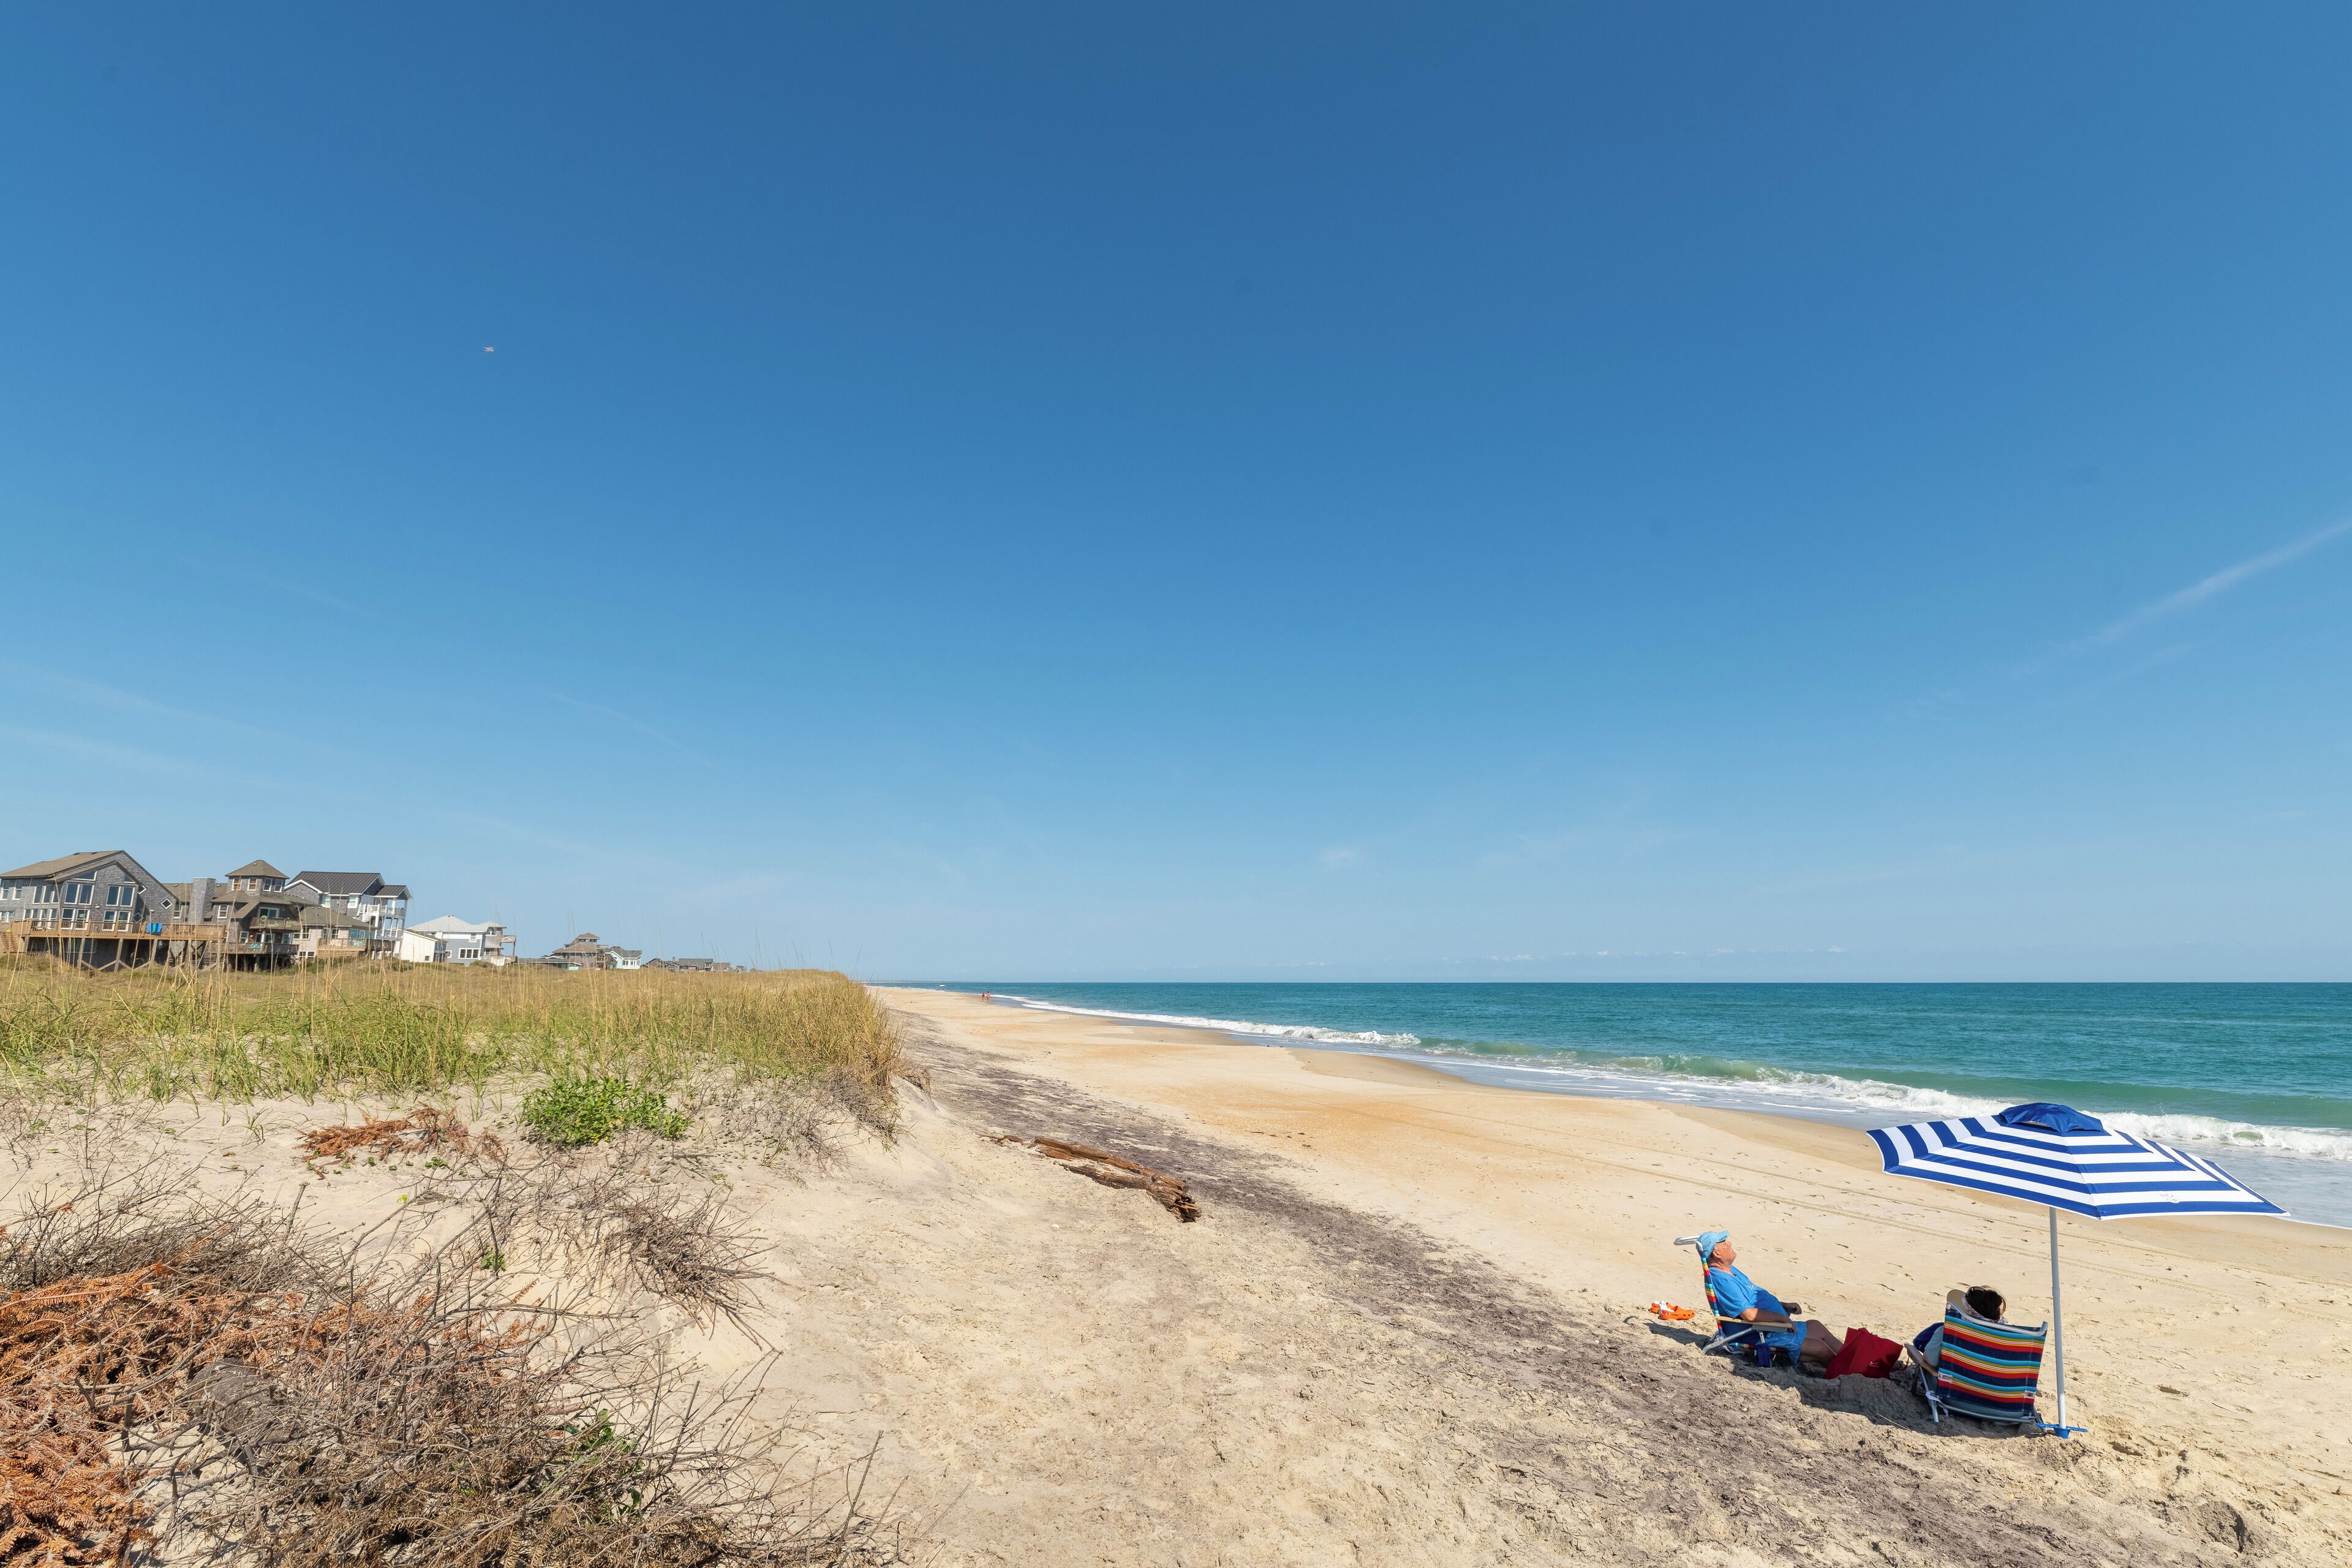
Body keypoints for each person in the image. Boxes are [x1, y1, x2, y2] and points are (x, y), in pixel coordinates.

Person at [1700, 1231, 1844, 1371]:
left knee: (1816, 1327)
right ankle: (1843, 1373)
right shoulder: (1723, 1281)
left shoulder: (1730, 1270)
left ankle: (1850, 1359)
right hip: (1758, 1333)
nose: (1729, 1243)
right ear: (1717, 1254)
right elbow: (1749, 1315)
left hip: (1771, 1327)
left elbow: (1751, 1299)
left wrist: (1782, 1306)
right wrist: (1781, 1318)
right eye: (1724, 1243)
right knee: (1820, 1348)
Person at [1910, 1286, 2007, 1374]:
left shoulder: (1949, 1331)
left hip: (1951, 1390)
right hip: (1995, 1392)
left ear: (1965, 1311)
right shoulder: (2008, 1338)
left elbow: (1931, 1363)